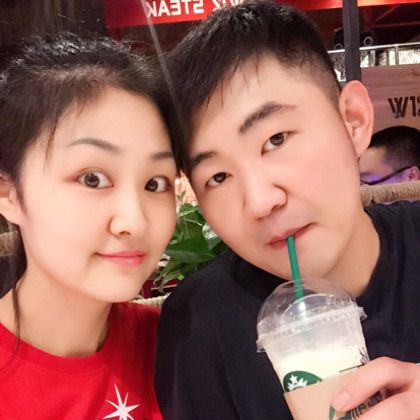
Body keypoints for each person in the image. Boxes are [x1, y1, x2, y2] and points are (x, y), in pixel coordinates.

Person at [155, 2, 420, 419]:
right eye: (218, 177)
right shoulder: (200, 327)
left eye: (275, 140)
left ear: (352, 121)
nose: (260, 201)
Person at [0, 32, 178, 419]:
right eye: (92, 179)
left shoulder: (179, 345)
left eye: (155, 183)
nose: (134, 220)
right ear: (8, 193)